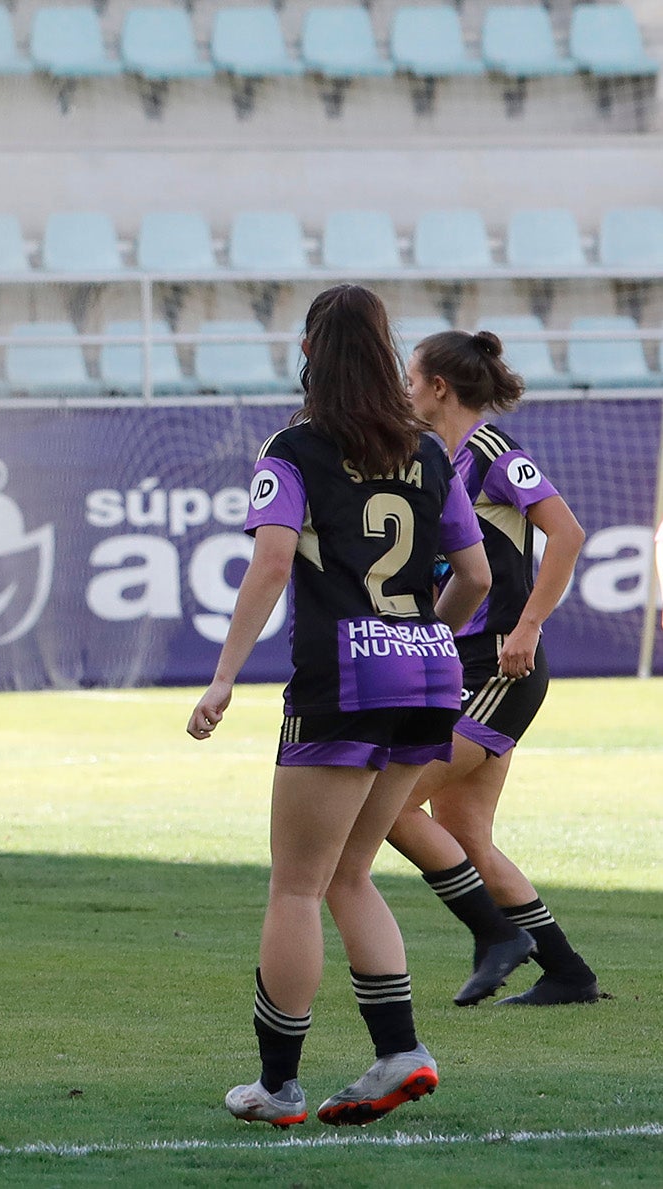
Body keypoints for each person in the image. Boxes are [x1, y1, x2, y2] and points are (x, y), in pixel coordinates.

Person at [187, 284, 491, 1128]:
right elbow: (477, 579)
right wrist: (425, 637)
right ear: (389, 353)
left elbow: (273, 564)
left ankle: (277, 1085)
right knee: (352, 872)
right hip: (428, 680)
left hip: (341, 683)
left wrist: (222, 676)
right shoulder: (429, 451)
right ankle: (400, 1050)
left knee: (297, 884)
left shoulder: (293, 447)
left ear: (311, 352)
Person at [385, 330, 600, 1007]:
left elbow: (566, 532)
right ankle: (567, 972)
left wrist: (529, 623)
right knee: (464, 832)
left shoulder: (491, 452)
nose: (405, 390)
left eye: (412, 379)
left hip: (500, 669)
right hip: (466, 666)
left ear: (440, 388)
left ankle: (496, 935)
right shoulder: (437, 459)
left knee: (387, 802)